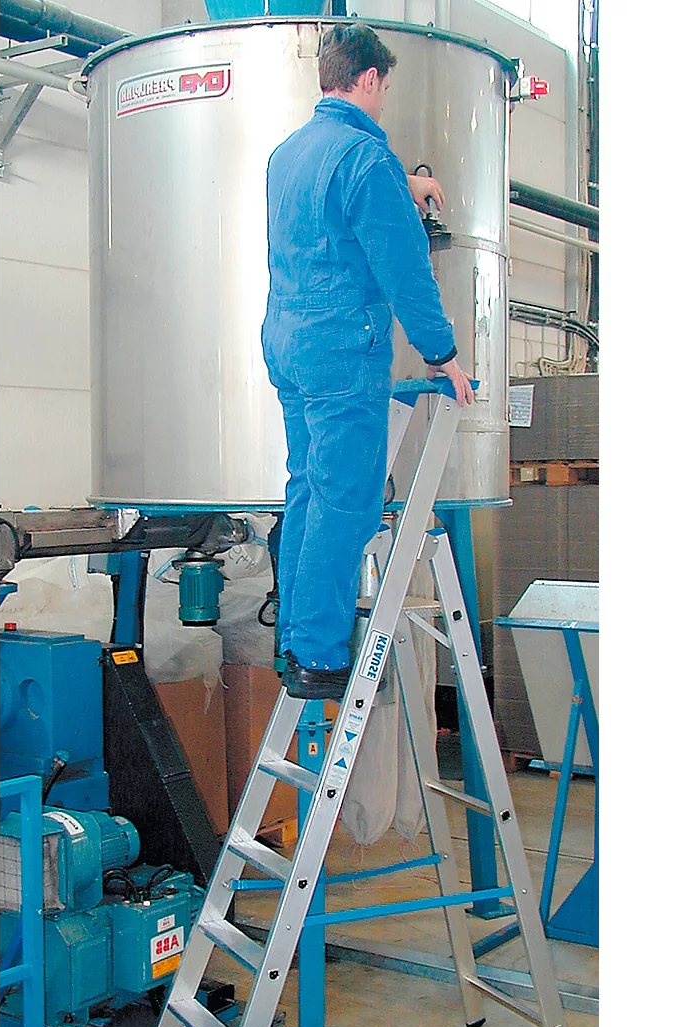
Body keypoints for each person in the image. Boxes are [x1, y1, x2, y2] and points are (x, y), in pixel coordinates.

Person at [261, 22, 474, 700]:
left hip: (288, 344)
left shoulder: (288, 155)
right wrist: (442, 354)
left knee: (305, 490)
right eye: (384, 88)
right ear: (371, 80)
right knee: (347, 503)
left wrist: (400, 185)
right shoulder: (364, 158)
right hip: (341, 351)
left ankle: (294, 642)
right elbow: (405, 270)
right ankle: (321, 657)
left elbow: (331, 218)